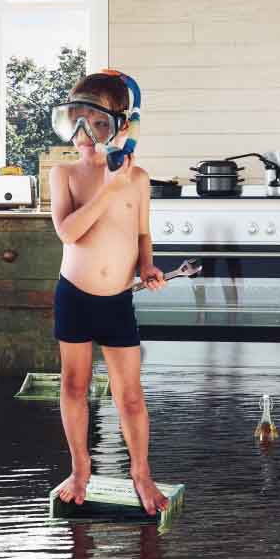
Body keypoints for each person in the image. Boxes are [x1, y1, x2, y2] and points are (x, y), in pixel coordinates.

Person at [48, 71, 169, 516]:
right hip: (75, 296)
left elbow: (141, 234)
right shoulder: (64, 175)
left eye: (97, 124)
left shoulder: (138, 180)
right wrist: (108, 187)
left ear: (123, 128)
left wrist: (148, 266)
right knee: (75, 386)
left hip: (117, 300)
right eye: (75, 122)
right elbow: (68, 233)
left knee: (130, 396)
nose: (83, 134)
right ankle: (81, 468)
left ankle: (140, 473)